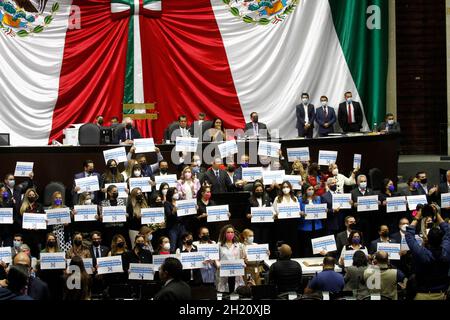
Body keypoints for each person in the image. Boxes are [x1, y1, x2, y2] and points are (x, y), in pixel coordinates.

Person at [405, 204, 450, 300]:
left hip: (423, 295)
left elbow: (409, 235)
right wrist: (437, 214)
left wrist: (417, 216)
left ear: (427, 240)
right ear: (442, 239)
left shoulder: (421, 253)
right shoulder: (446, 251)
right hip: (442, 295)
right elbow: (448, 231)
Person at [273, 181, 300, 256]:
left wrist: (299, 213)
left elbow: (297, 209)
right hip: (282, 223)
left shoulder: (294, 198)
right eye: (284, 187)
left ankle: (293, 255)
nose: (285, 189)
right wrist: (276, 214)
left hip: (293, 222)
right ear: (281, 189)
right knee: (283, 240)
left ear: (290, 188)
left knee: (293, 240)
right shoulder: (277, 198)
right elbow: (274, 211)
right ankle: (283, 256)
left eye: (287, 187)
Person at [217, 225, 246, 293]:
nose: (230, 234)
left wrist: (243, 263)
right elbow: (216, 259)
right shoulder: (219, 245)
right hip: (223, 274)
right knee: (224, 294)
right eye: (228, 232)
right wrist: (218, 264)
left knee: (236, 294)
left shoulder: (239, 245)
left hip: (236, 274)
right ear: (224, 233)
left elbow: (243, 258)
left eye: (232, 232)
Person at [298, 184, 324, 257]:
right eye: (309, 189)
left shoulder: (318, 198)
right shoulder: (300, 200)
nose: (311, 191)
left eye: (312, 189)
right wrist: (301, 213)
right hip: (305, 225)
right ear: (305, 191)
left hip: (317, 225)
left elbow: (321, 209)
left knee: (316, 245)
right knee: (306, 245)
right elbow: (298, 211)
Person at [351, 174, 379, 241]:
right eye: (361, 181)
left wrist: (377, 203)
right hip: (358, 220)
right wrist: (353, 205)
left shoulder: (371, 191)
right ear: (357, 182)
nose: (363, 183)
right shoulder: (352, 192)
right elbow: (350, 206)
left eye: (365, 181)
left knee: (368, 237)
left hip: (370, 219)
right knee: (358, 237)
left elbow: (375, 203)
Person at [19, 188, 45, 257]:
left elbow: (43, 220)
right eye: (30, 195)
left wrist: (40, 226)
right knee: (26, 255)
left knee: (36, 255)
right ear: (27, 196)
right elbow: (20, 221)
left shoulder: (40, 206)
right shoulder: (23, 207)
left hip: (37, 236)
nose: (32, 196)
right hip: (26, 235)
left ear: (35, 196)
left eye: (33, 195)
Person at [165, 187, 188, 253]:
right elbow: (168, 216)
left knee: (182, 244)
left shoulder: (180, 202)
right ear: (170, 194)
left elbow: (186, 214)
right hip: (173, 227)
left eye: (177, 192)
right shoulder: (167, 203)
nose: (176, 194)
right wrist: (173, 212)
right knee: (172, 245)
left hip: (181, 226)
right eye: (175, 193)